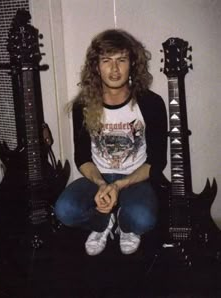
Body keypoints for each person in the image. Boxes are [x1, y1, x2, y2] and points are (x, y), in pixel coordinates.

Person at [55, 29, 167, 256]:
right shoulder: (84, 105)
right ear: (96, 66)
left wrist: (117, 186)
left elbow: (157, 162)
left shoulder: (151, 103)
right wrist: (101, 184)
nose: (114, 70)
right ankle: (102, 223)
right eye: (106, 61)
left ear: (132, 64)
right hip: (98, 176)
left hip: (135, 179)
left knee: (143, 219)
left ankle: (125, 226)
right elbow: (83, 158)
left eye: (121, 60)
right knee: (64, 210)